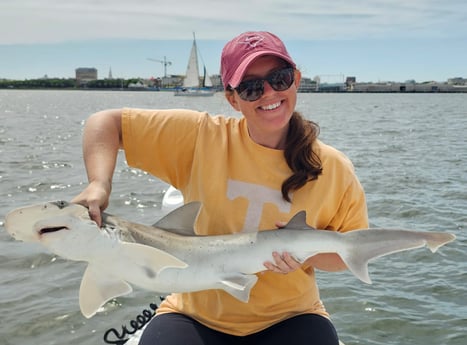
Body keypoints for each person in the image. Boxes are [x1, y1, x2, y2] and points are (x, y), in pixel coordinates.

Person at [72, 31, 368, 345]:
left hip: (293, 315)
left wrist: (304, 253)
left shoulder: (333, 168)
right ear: (232, 98)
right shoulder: (201, 138)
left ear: (296, 79)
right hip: (195, 313)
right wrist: (98, 184)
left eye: (279, 79)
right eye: (251, 87)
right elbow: (105, 123)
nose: (268, 93)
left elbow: (346, 255)